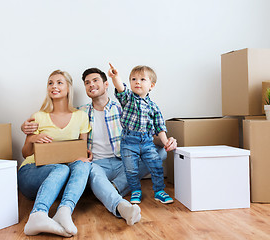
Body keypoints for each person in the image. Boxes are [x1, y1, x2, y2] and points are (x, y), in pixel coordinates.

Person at [21, 67, 177, 225]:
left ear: (106, 84)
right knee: (89, 170)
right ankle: (120, 204)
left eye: (95, 81)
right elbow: (70, 141)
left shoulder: (125, 108)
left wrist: (167, 141)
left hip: (123, 161)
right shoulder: (81, 113)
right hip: (96, 164)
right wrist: (28, 131)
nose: (91, 85)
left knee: (158, 153)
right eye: (87, 83)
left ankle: (112, 188)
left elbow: (148, 136)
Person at [18, 70, 92, 238]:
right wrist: (34, 138)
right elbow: (25, 153)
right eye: (50, 83)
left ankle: (64, 211)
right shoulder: (38, 116)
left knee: (82, 164)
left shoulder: (81, 116)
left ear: (68, 88)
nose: (54, 86)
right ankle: (38, 215)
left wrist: (86, 156)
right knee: (61, 169)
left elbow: (82, 149)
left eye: (59, 82)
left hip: (60, 182)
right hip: (32, 172)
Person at [108, 63, 174, 204]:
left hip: (146, 142)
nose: (137, 82)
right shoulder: (128, 99)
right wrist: (116, 77)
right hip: (128, 141)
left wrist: (166, 142)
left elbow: (160, 127)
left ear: (151, 85)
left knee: (156, 165)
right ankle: (135, 190)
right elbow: (121, 88)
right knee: (131, 169)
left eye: (142, 79)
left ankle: (159, 191)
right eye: (133, 79)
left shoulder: (154, 107)